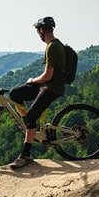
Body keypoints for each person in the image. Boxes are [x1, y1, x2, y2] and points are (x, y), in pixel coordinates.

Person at [9, 16, 67, 169]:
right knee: (15, 94)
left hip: (51, 88)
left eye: (38, 31)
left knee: (31, 116)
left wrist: (33, 80)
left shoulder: (52, 47)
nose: (38, 34)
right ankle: (30, 126)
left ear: (41, 30)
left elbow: (47, 76)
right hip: (47, 86)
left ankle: (26, 154)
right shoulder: (54, 45)